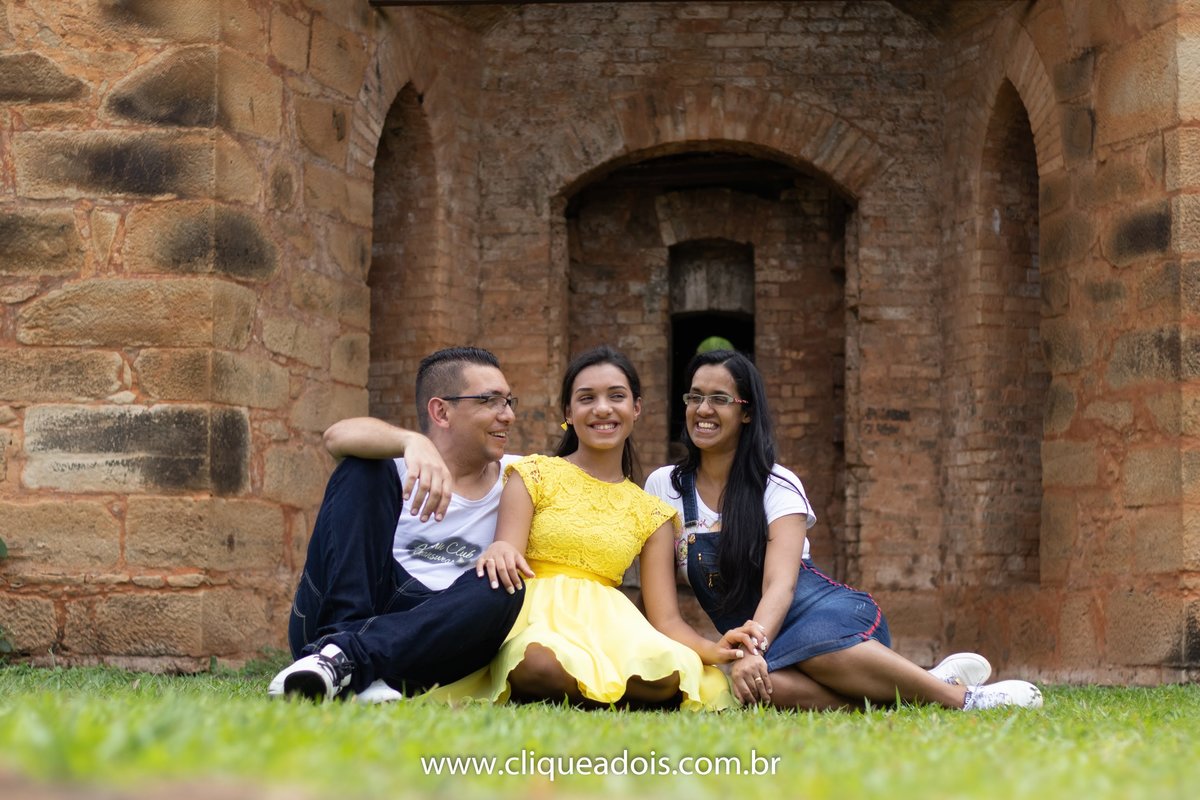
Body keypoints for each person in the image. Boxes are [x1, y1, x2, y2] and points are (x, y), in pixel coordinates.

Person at [643, 349, 1044, 711]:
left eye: (720, 399)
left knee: (813, 650)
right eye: (695, 397)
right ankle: (913, 687)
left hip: (826, 615)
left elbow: (781, 585)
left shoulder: (777, 484)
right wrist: (726, 654)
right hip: (763, 643)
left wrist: (753, 647)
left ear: (746, 412)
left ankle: (962, 699)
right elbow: (664, 614)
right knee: (760, 689)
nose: (703, 409)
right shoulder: (665, 487)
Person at [428, 346, 756, 709]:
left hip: (611, 625)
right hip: (537, 615)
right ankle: (601, 691)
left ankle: (589, 689)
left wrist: (713, 648)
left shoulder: (651, 512)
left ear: (636, 408)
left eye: (616, 396)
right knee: (537, 661)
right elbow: (507, 552)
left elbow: (665, 618)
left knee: (673, 672)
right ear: (569, 412)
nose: (602, 409)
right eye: (587, 398)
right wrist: (500, 550)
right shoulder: (535, 474)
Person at [268, 347, 525, 702]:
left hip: (438, 629)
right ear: (441, 411)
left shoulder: (521, 476)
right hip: (352, 606)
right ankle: (341, 646)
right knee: (361, 467)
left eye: (509, 402)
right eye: (491, 401)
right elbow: (336, 436)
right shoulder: (396, 463)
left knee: (505, 585)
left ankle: (343, 662)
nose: (508, 415)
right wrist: (410, 441)